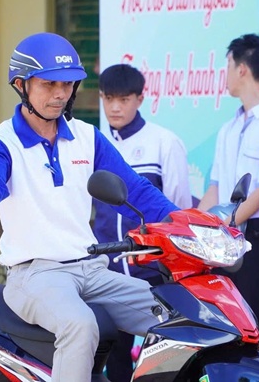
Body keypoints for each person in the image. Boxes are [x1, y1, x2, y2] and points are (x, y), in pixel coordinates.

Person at [0, 32, 179, 382]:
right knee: (79, 325)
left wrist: (190, 225)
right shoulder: (3, 141)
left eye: (67, 84)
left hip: (92, 269)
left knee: (176, 315)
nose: (60, 94)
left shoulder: (87, 137)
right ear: (21, 85)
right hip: (35, 275)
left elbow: (137, 192)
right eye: (49, 84)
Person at [92, 63, 192, 381]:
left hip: (153, 269)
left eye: (123, 99)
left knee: (161, 357)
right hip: (106, 270)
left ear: (140, 98)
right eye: (108, 99)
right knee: (113, 356)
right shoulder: (91, 145)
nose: (115, 107)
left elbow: (179, 206)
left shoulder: (164, 142)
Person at [196, 33, 259, 358]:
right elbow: (215, 187)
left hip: (256, 238)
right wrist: (190, 225)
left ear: (242, 69)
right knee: (225, 325)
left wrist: (229, 220)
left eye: (227, 66)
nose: (224, 75)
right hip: (221, 239)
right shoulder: (229, 128)